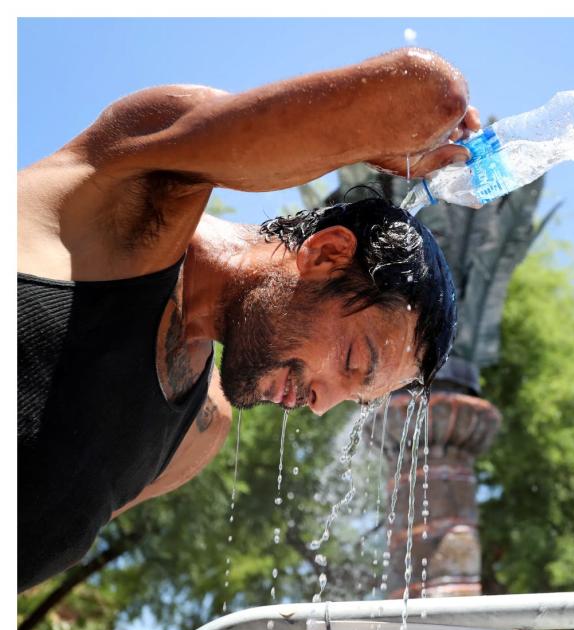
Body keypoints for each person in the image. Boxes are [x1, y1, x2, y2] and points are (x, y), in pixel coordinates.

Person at [17, 48, 480, 598]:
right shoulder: (132, 197)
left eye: (351, 399)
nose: (320, 404)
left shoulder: (199, 432)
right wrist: (410, 152)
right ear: (327, 253)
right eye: (354, 362)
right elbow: (428, 92)